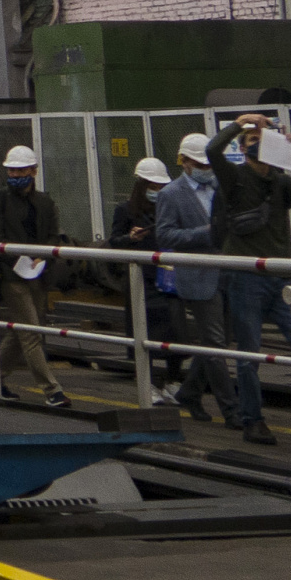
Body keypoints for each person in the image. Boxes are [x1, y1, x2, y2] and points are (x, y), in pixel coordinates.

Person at [209, 111, 291, 446]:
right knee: (250, 353)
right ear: (242, 148)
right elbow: (212, 151)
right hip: (245, 275)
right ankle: (253, 420)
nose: (258, 144)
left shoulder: (280, 183)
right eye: (252, 140)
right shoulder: (234, 179)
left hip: (281, 276)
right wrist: (240, 123)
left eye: (263, 140)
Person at [155, 132, 238, 424]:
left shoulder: (221, 187)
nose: (206, 169)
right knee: (214, 343)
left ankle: (189, 392)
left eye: (209, 164)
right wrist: (205, 233)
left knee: (219, 341)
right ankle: (232, 409)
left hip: (227, 272)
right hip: (197, 275)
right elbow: (165, 235)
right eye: (201, 165)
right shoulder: (170, 194)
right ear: (184, 162)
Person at [0, 145, 68, 408]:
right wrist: (18, 260)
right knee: (31, 332)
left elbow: (53, 235)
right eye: (12, 171)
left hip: (39, 274)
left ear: (34, 171)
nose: (16, 175)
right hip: (11, 276)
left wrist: (43, 257)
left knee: (22, 330)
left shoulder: (45, 202)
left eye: (21, 170)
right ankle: (52, 389)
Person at [109, 156, 181, 400]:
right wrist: (131, 238)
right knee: (142, 329)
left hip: (168, 276)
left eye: (161, 187)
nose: (157, 191)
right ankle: (147, 383)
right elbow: (114, 242)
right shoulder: (125, 210)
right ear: (141, 185)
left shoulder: (171, 208)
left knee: (174, 328)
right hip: (140, 278)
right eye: (152, 186)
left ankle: (173, 379)